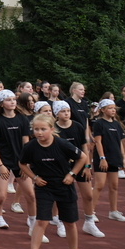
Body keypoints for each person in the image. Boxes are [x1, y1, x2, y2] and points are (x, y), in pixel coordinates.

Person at [19, 113, 88, 249]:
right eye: (36, 129)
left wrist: (72, 174)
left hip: (64, 185)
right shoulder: (30, 147)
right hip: (44, 186)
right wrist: (34, 177)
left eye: (43, 129)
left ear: (51, 129)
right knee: (42, 220)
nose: (39, 132)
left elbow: (83, 157)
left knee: (69, 222)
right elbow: (22, 164)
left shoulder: (62, 144)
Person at [0, 89, 36, 244]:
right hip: (3, 162)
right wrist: (0, 165)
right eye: (8, 100)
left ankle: (33, 226)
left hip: (20, 162)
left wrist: (25, 162)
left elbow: (26, 142)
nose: (12, 102)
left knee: (31, 195)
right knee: (1, 196)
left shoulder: (23, 119)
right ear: (1, 103)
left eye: (14, 99)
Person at [53, 100, 97, 237]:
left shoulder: (78, 126)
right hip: (61, 167)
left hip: (80, 164)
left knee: (88, 195)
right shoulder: (53, 128)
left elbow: (84, 147)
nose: (66, 113)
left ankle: (89, 223)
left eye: (68, 111)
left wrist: (88, 166)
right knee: (61, 196)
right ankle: (60, 222)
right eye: (63, 111)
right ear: (56, 114)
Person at [91, 98, 125, 224]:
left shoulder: (117, 124)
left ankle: (113, 211)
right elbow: (98, 142)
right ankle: (90, 212)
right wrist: (102, 158)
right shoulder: (99, 123)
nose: (113, 110)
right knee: (99, 185)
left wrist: (123, 157)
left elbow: (121, 142)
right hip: (102, 158)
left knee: (114, 186)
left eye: (114, 108)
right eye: (110, 108)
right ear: (103, 110)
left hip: (114, 157)